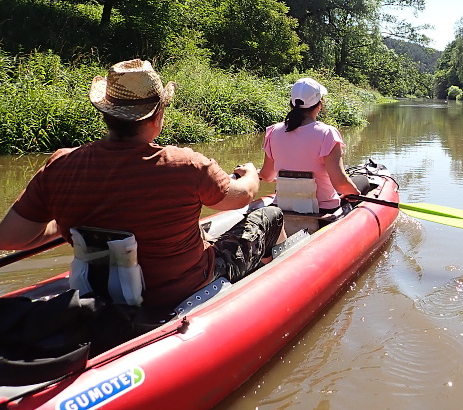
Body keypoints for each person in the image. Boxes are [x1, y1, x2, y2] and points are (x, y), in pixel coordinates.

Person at [0, 59, 285, 309]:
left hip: (100, 289)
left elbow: (11, 238)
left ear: (106, 115)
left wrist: (67, 225)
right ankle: (276, 286)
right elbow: (242, 196)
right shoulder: (185, 164)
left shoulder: (60, 164)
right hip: (183, 287)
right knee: (270, 215)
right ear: (158, 116)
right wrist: (249, 173)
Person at [259, 77, 367, 230]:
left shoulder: (273, 132)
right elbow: (340, 183)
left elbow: (267, 176)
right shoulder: (327, 133)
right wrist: (355, 194)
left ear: (292, 103)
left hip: (282, 208)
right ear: (319, 105)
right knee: (363, 181)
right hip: (324, 211)